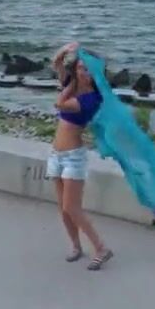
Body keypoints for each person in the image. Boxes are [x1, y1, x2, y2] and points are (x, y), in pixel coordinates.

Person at [48, 42, 113, 270]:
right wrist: (66, 50)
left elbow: (60, 104)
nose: (83, 72)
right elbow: (56, 63)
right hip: (56, 155)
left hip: (73, 157)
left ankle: (101, 248)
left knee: (72, 207)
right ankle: (76, 246)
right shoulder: (71, 85)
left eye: (88, 70)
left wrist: (70, 83)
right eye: (80, 68)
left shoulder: (91, 99)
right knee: (63, 208)